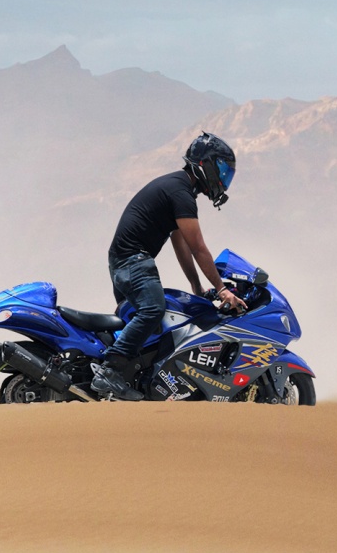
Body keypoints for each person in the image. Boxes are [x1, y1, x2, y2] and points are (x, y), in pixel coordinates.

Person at [93, 131, 241, 400]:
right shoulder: (180, 192)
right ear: (205, 164)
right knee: (153, 310)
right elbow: (198, 247)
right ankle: (109, 369)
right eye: (221, 169)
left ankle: (126, 381)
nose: (223, 180)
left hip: (125, 261)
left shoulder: (179, 188)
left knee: (145, 331)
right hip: (133, 260)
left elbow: (181, 243)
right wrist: (221, 290)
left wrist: (196, 285)